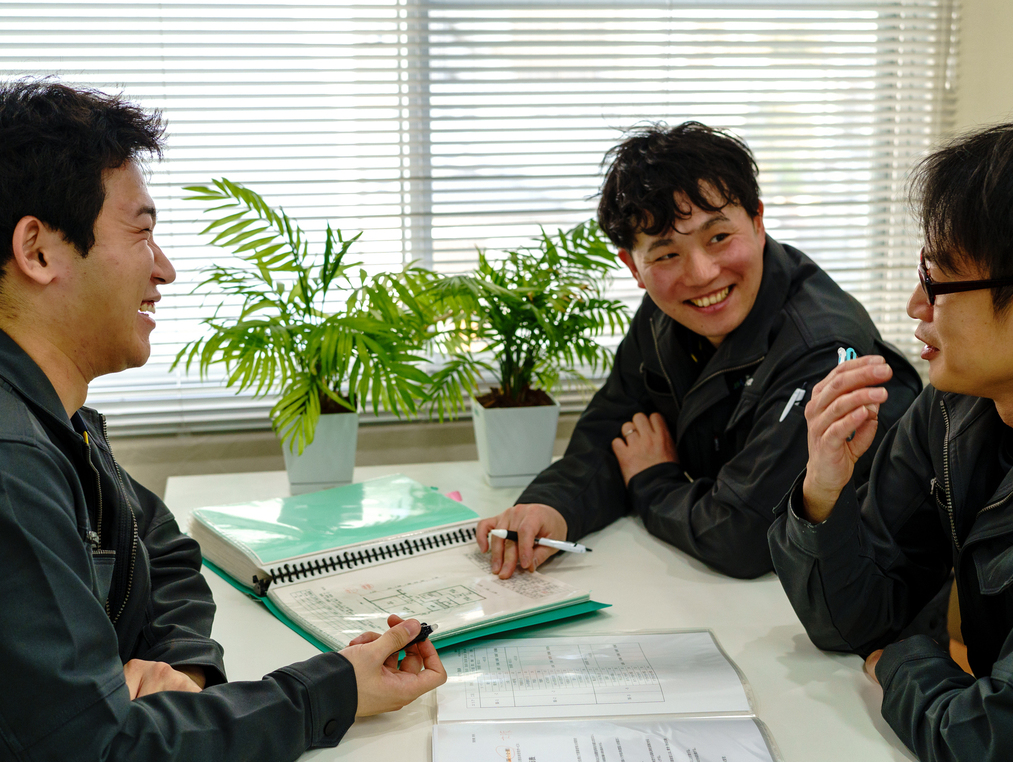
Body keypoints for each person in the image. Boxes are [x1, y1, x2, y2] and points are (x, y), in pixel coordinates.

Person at [0, 78, 445, 761]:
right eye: (142, 234)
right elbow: (103, 748)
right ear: (37, 251)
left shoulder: (59, 417)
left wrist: (184, 671)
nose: (166, 270)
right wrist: (334, 690)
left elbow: (161, 550)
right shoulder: (13, 461)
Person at [479, 121, 922, 579]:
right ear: (633, 266)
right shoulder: (665, 315)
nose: (702, 274)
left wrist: (653, 482)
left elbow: (744, 532)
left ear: (758, 221)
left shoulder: (820, 349)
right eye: (666, 254)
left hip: (849, 598)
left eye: (718, 237)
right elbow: (615, 433)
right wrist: (551, 506)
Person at [768, 113, 1013, 761]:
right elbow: (855, 620)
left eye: (937, 280)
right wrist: (823, 490)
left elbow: (1001, 740)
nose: (915, 304)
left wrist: (902, 662)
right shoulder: (955, 406)